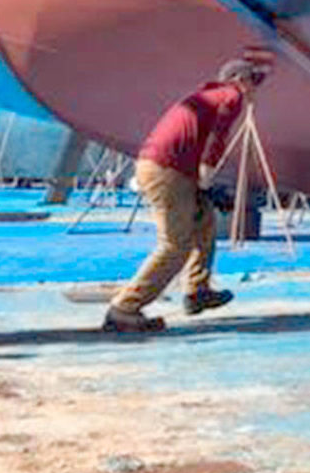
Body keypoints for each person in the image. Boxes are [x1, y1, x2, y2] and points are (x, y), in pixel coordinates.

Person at [103, 57, 271, 334]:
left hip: (164, 167)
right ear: (241, 80)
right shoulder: (231, 95)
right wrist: (207, 175)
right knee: (174, 245)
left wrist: (202, 186)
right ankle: (124, 308)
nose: (255, 90)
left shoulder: (206, 94)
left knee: (204, 221)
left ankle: (197, 291)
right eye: (254, 82)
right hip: (168, 171)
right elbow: (218, 137)